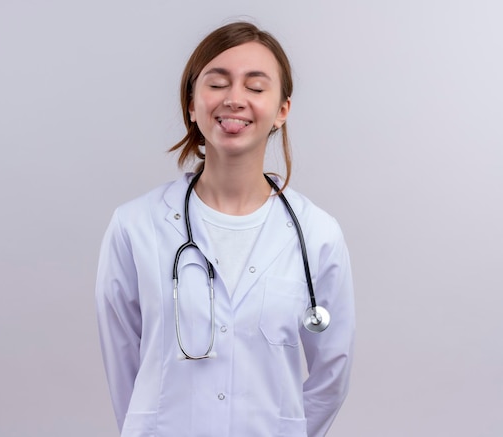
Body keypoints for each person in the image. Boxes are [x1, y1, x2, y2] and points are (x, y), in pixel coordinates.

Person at [95, 21, 355, 437]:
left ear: (282, 110)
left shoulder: (319, 234)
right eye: (217, 84)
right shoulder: (135, 226)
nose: (235, 100)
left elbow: (332, 374)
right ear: (192, 105)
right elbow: (123, 363)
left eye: (255, 87)